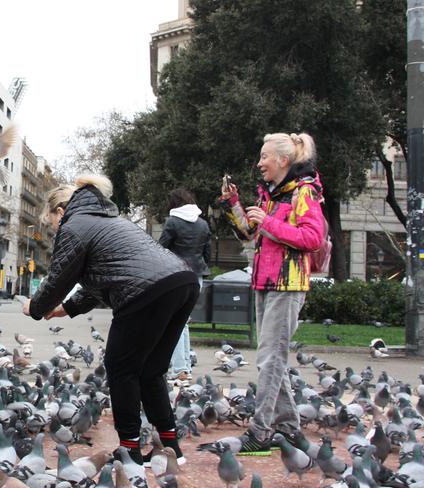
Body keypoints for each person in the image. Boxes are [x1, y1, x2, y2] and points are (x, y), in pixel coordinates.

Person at [22, 175, 199, 465]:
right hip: (182, 283)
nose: (54, 231)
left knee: (120, 367)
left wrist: (37, 307)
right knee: (151, 369)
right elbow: (102, 282)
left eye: (51, 224)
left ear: (60, 211)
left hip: (145, 293)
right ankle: (170, 447)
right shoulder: (110, 220)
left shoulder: (74, 225)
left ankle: (129, 449)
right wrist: (63, 309)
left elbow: (57, 279)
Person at [219, 132, 326, 452]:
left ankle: (261, 431)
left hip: (289, 284)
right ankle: (290, 427)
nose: (259, 162)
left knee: (269, 360)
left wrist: (268, 222)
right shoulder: (270, 194)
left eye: (265, 157)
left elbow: (313, 239)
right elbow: (247, 233)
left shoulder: (304, 193)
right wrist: (232, 203)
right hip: (265, 283)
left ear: (283, 160)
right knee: (272, 359)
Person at [159, 189, 211, 383]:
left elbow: (161, 249)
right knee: (183, 322)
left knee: (176, 322)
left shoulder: (172, 222)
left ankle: (180, 368)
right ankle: (185, 367)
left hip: (176, 274)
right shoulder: (203, 224)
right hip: (197, 275)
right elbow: (207, 253)